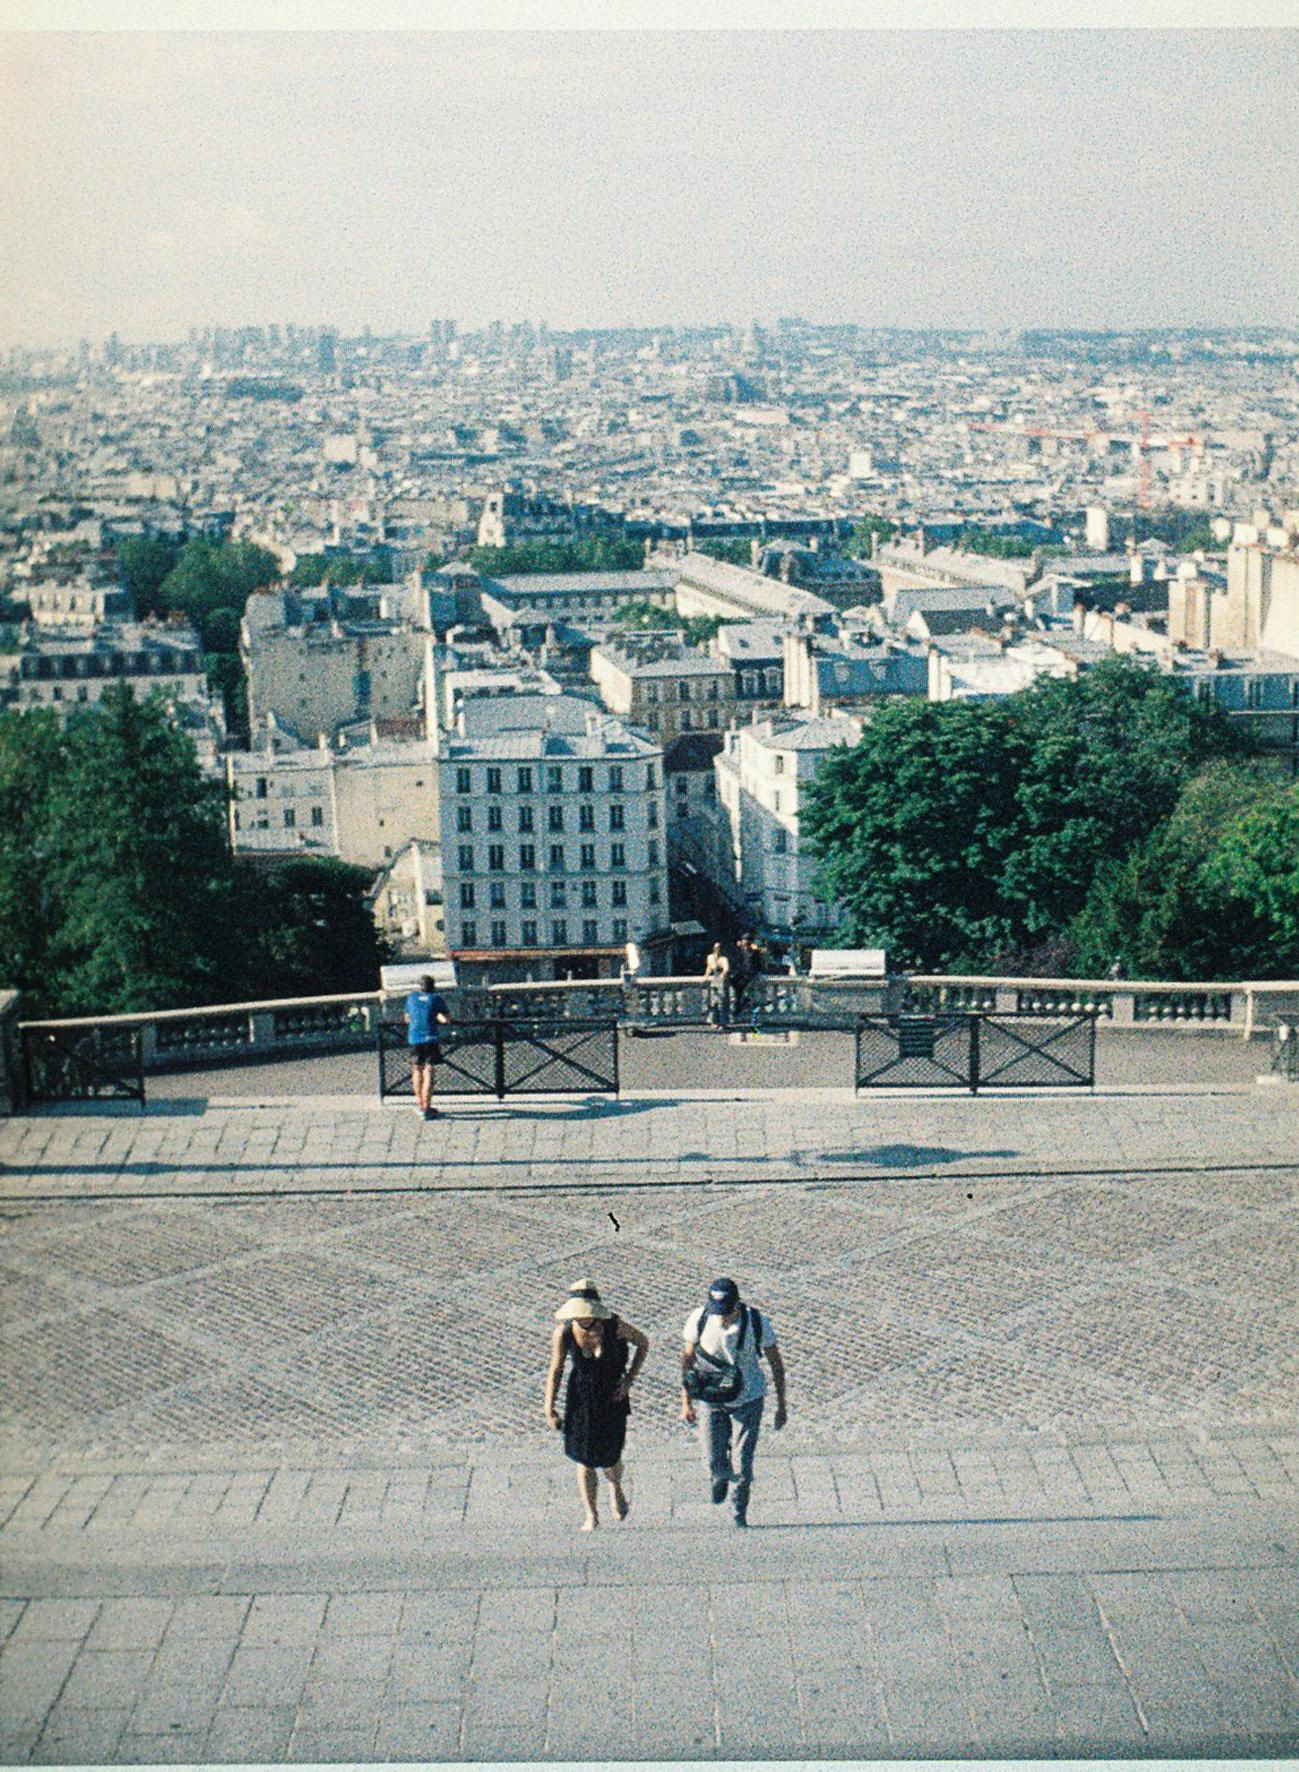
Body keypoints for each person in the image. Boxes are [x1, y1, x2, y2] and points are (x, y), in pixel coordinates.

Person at [681, 1276, 786, 1528]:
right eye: (718, 1312)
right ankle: (718, 1475)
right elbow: (687, 1361)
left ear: (737, 1304)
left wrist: (782, 1405)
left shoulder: (757, 1322)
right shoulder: (700, 1318)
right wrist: (686, 1402)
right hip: (711, 1397)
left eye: (726, 1312)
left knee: (743, 1462)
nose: (722, 1317)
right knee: (711, 1457)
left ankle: (739, 1511)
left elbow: (775, 1363)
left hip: (748, 1398)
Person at [546, 1279, 649, 1531]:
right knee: (584, 1458)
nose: (582, 1317)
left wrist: (629, 1380)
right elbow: (556, 1368)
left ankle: (615, 1486)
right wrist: (549, 1407)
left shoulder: (614, 1326)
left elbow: (643, 1343)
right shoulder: (565, 1332)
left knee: (611, 1456)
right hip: (581, 1399)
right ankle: (591, 1514)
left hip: (612, 1397)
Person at [404, 973, 451, 1121]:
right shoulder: (436, 999)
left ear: (420, 986)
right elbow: (446, 1019)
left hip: (414, 1038)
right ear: (433, 986)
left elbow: (407, 1018)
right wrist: (437, 1016)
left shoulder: (411, 998)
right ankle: (427, 1106)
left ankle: (419, 1104)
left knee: (417, 1069)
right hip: (430, 1037)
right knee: (428, 1070)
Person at [704, 941, 731, 1026]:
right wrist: (706, 976)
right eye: (716, 948)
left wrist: (722, 975)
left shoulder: (724, 959)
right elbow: (709, 967)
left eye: (719, 948)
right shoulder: (710, 957)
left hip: (722, 981)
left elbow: (726, 969)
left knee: (722, 1002)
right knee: (713, 1002)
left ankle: (723, 1022)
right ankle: (714, 1021)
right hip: (714, 980)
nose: (717, 950)